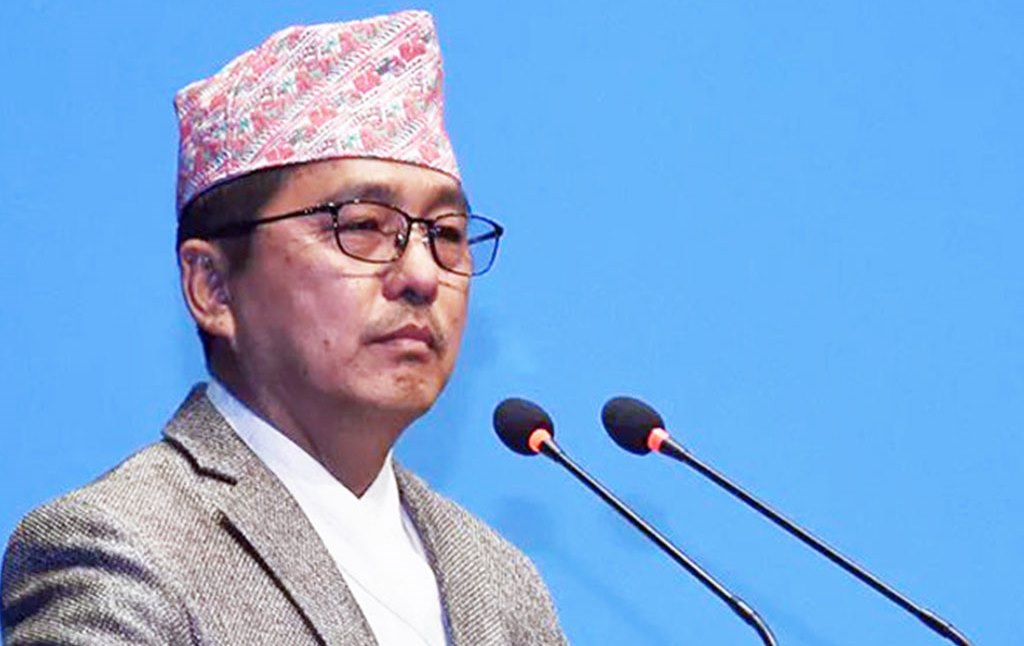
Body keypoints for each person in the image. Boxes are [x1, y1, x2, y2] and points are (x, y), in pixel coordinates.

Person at [1, 10, 566, 645]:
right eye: (362, 226)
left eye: (447, 234)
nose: (421, 275)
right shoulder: (121, 549)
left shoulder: (501, 582)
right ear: (213, 287)